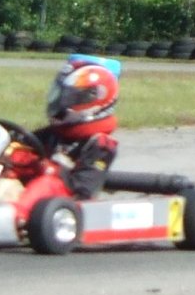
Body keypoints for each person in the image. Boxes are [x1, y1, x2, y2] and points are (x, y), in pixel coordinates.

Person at [13, 54, 120, 224]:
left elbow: (84, 188)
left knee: (45, 183)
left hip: (70, 204)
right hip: (44, 203)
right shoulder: (55, 133)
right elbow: (26, 148)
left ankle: (14, 219)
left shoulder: (101, 145)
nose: (61, 103)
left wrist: (52, 170)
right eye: (60, 95)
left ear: (93, 100)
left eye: (70, 98)